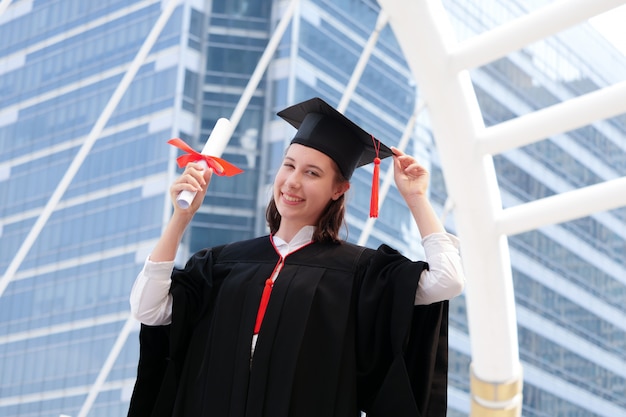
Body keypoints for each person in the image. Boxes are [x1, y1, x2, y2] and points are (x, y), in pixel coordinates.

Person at [127, 97, 465, 417]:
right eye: (289, 166)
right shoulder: (222, 264)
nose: (292, 181)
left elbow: (447, 279)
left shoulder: (359, 273)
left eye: (312, 173)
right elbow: (148, 308)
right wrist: (181, 218)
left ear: (339, 189)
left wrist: (417, 198)